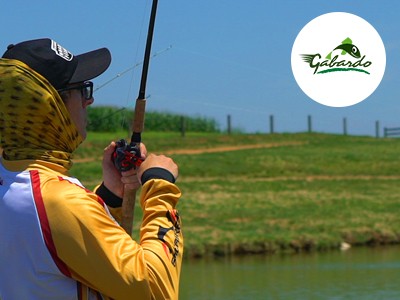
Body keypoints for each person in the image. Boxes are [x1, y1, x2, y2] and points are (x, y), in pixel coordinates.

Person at [0, 38, 183, 300]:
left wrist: (110, 197)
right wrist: (160, 184)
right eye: (82, 90)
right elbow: (154, 289)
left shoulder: (13, 181)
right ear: (51, 106)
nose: (91, 100)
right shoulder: (59, 203)